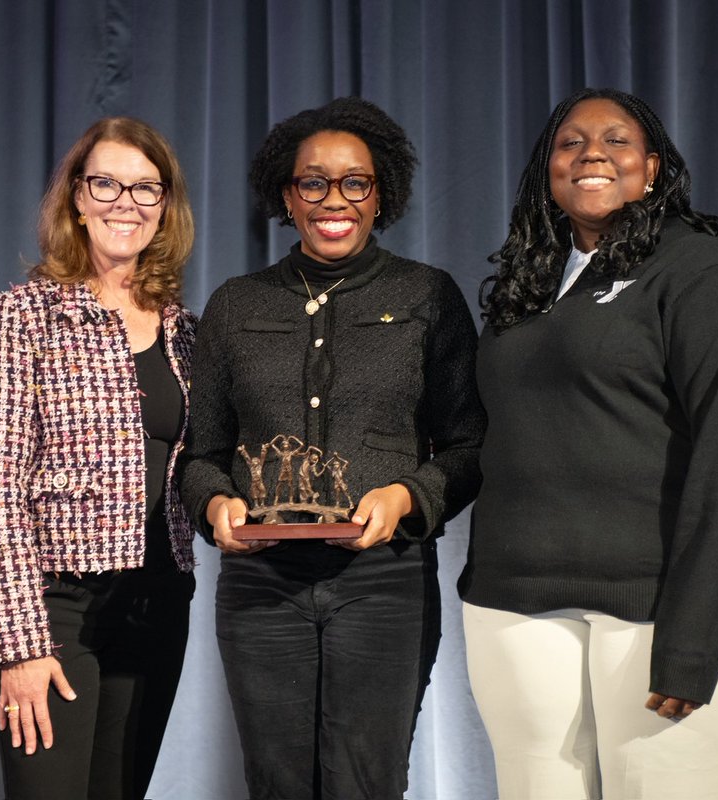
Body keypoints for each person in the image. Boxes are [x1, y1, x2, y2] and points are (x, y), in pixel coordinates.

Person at [458, 88, 718, 799]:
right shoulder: (531, 283)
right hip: (515, 606)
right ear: (546, 168)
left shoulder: (700, 276)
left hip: (660, 608)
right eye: (569, 143)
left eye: (616, 141)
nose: (591, 154)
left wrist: (694, 643)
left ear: (654, 168)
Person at [179, 96, 485, 800]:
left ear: (382, 196)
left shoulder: (427, 297)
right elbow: (201, 454)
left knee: (364, 786)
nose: (333, 200)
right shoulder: (236, 304)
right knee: (277, 784)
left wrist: (408, 495)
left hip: (384, 584)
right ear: (287, 195)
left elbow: (469, 444)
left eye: (355, 182)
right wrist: (216, 504)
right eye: (312, 182)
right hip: (261, 590)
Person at [0, 116, 198, 800]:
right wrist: (19, 644)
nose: (124, 203)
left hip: (156, 607)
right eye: (106, 184)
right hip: (56, 611)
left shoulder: (187, 331)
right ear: (76, 197)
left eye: (144, 188)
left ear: (165, 205)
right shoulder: (24, 316)